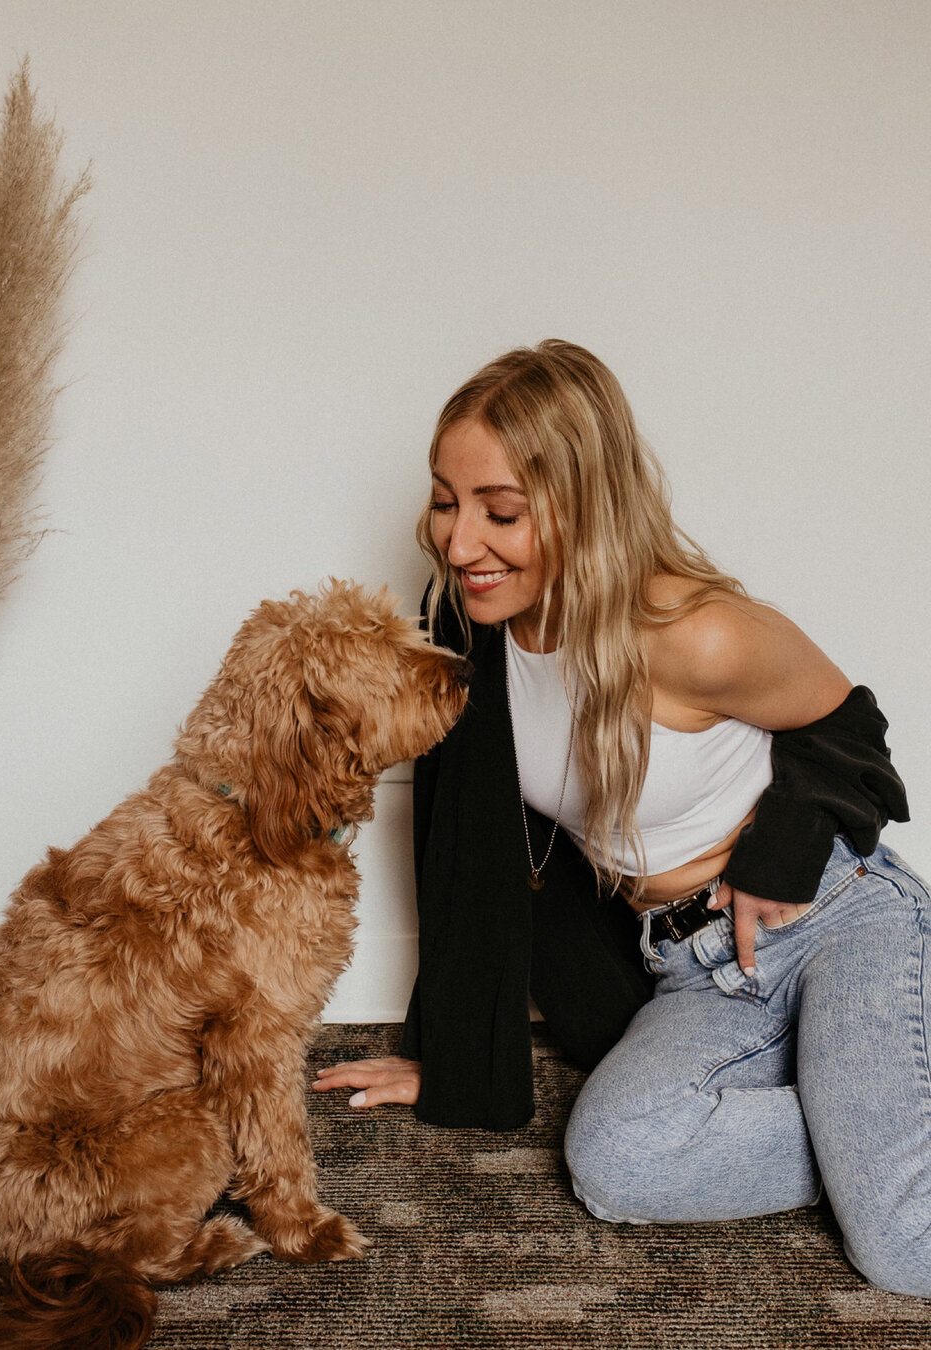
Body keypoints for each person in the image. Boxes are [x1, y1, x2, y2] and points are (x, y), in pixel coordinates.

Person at [313, 340, 924, 1296]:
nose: (459, 542)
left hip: (833, 920)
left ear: (583, 505)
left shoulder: (692, 634)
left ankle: (886, 1140)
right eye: (445, 500)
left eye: (500, 512)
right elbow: (467, 851)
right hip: (692, 969)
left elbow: (852, 726)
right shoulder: (472, 626)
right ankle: (879, 1123)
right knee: (616, 1159)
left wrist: (779, 857)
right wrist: (456, 1053)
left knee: (903, 1244)